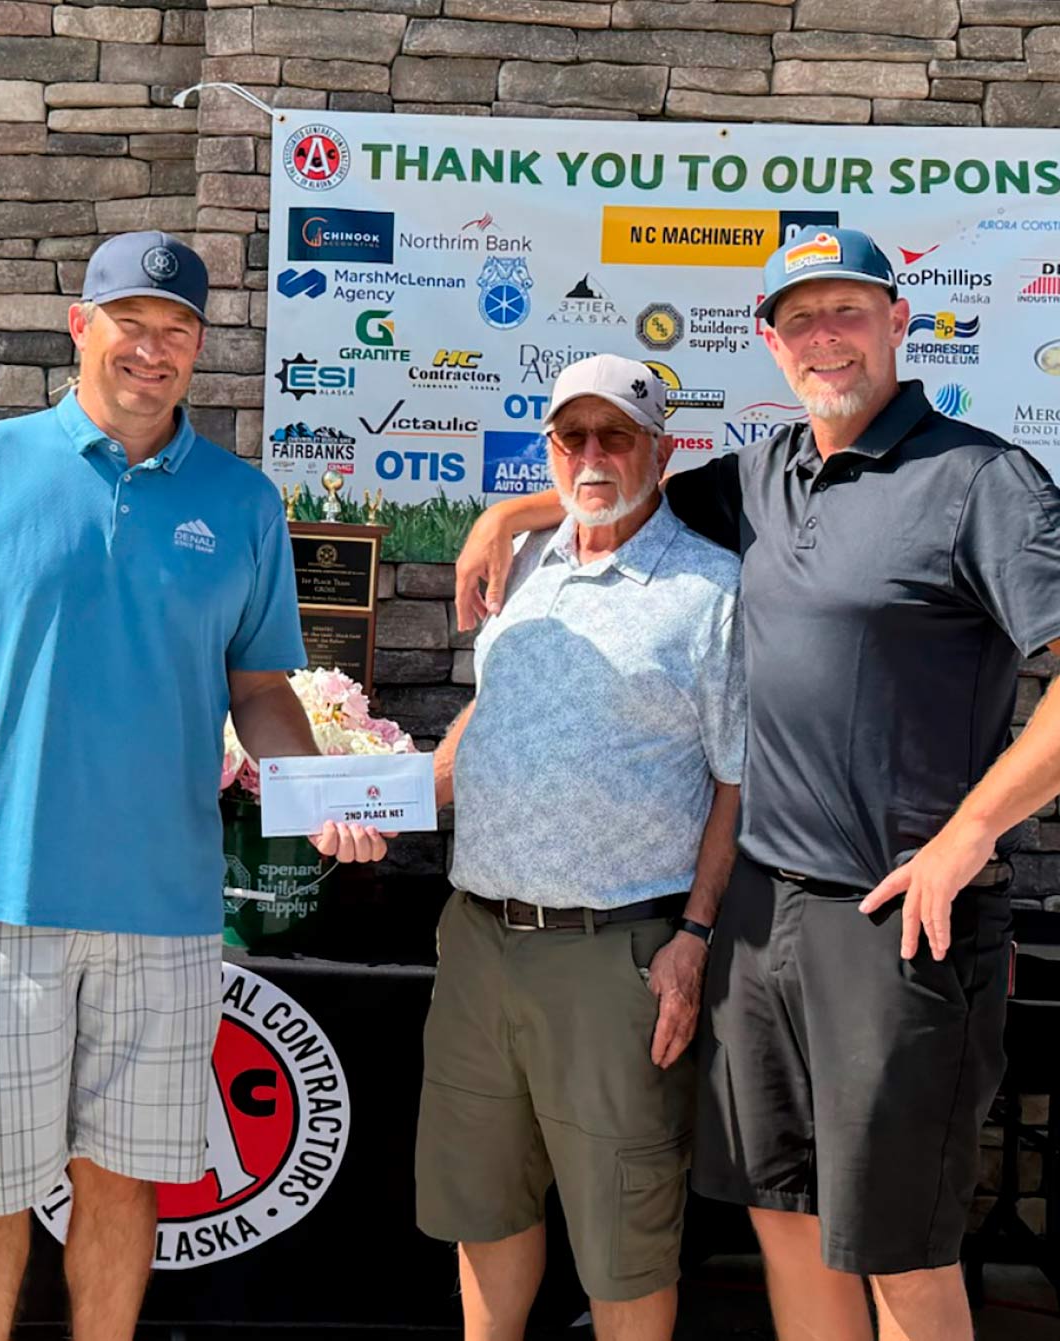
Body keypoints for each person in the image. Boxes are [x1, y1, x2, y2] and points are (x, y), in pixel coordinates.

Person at [452, 226, 1060, 1341]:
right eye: (802, 319)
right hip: (758, 919)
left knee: (900, 1254)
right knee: (784, 1217)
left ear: (897, 323)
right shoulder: (770, 474)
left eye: (849, 312)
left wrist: (974, 832)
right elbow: (621, 483)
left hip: (898, 925)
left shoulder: (980, 478)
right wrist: (510, 512)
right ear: (772, 343)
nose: (826, 338)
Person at [0, 231, 387, 1341]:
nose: (154, 351)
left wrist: (318, 792)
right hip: (3, 901)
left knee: (124, 1181)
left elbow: (260, 689)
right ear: (81, 328)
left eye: (178, 332)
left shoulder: (241, 502)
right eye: (132, 325)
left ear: (201, 346)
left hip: (168, 913)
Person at [422, 354, 745, 1341]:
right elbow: (494, 714)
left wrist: (694, 935)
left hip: (619, 957)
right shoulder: (523, 568)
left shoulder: (711, 592)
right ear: (549, 451)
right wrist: (378, 797)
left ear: (663, 450)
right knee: (485, 1211)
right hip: (478, 941)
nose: (593, 456)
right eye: (573, 437)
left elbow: (741, 780)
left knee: (624, 1236)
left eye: (617, 436)